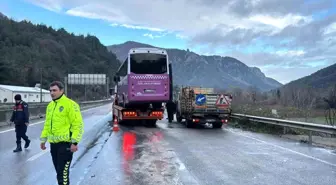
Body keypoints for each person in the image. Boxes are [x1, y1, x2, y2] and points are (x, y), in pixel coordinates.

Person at [40, 81, 84, 185]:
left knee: (63, 173)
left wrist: (75, 142)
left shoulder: (71, 105)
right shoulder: (50, 106)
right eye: (50, 91)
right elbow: (47, 124)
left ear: (62, 91)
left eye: (54, 90)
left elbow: (77, 125)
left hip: (66, 145)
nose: (52, 93)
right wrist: (43, 139)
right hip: (53, 145)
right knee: (58, 172)